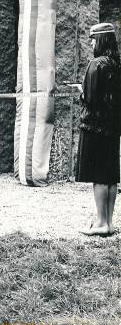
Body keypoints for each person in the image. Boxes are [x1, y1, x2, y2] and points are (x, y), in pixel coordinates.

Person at [75, 23, 120, 236]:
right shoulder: (116, 64)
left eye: (93, 39)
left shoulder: (96, 64)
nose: (91, 43)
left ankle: (101, 223)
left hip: (95, 127)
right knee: (110, 175)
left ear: (100, 40)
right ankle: (109, 223)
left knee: (99, 175)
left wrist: (81, 91)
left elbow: (91, 99)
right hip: (113, 127)